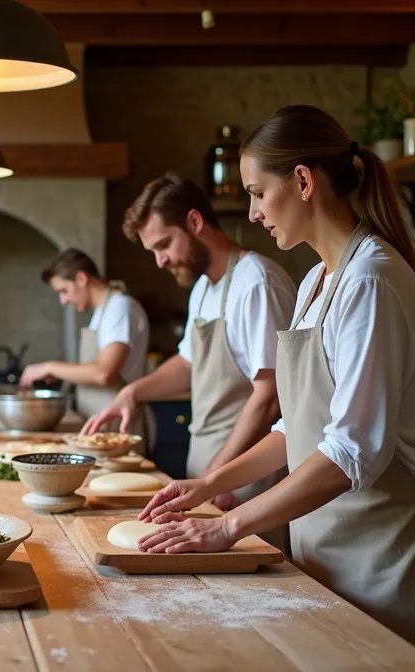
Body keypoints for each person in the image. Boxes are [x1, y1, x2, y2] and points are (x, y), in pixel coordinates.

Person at [136, 105, 415, 672]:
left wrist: (228, 527)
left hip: (394, 566)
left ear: (302, 182)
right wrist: (209, 484)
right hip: (334, 562)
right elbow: (295, 426)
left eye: (257, 193)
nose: (252, 214)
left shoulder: (371, 280)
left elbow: (352, 451)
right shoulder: (316, 283)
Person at [83, 173, 297, 531]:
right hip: (207, 464)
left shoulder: (257, 283)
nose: (159, 261)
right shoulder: (202, 288)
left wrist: (216, 479)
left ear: (195, 222)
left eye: (164, 244)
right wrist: (132, 393)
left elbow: (269, 396)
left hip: (245, 477)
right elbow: (187, 363)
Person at [21, 249, 152, 439]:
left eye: (64, 291)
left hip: (119, 427)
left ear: (82, 278)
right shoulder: (102, 311)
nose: (63, 301)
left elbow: (104, 373)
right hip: (100, 422)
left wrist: (50, 367)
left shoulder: (119, 308)